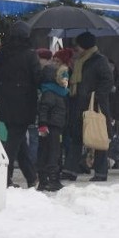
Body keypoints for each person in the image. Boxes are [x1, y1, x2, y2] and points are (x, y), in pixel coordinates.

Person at [0, 21, 41, 188]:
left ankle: (32, 177)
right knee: (13, 143)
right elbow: (37, 78)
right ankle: (4, 176)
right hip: (24, 105)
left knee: (19, 143)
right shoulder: (30, 55)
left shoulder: (1, 53)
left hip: (3, 103)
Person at [61, 31, 114, 182]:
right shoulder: (81, 61)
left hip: (96, 106)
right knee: (76, 137)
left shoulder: (99, 60)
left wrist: (96, 96)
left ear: (84, 46)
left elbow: (108, 80)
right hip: (79, 105)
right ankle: (70, 170)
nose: (76, 48)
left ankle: (100, 173)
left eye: (78, 45)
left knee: (98, 138)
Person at [36, 57, 69, 191]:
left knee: (48, 152)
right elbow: (44, 109)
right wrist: (43, 124)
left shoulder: (58, 93)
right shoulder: (50, 92)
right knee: (52, 153)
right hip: (50, 128)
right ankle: (51, 179)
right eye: (63, 77)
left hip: (55, 126)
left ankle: (45, 180)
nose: (66, 80)